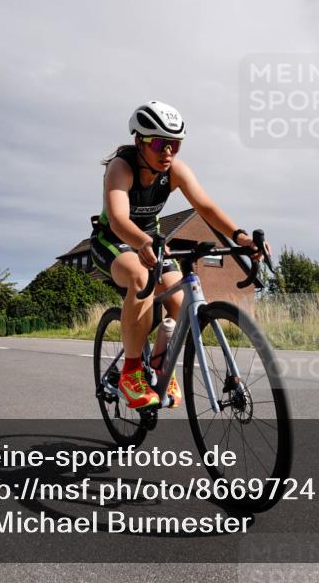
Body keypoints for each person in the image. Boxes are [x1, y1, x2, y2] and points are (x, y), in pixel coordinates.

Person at [91, 101, 266, 410]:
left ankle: (160, 361)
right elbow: (119, 220)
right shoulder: (121, 167)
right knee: (139, 276)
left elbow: (206, 207)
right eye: (160, 143)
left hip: (152, 242)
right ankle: (131, 373)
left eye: (175, 144)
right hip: (114, 240)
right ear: (139, 141)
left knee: (180, 300)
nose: (168, 151)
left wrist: (240, 236)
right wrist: (142, 241)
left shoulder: (174, 170)